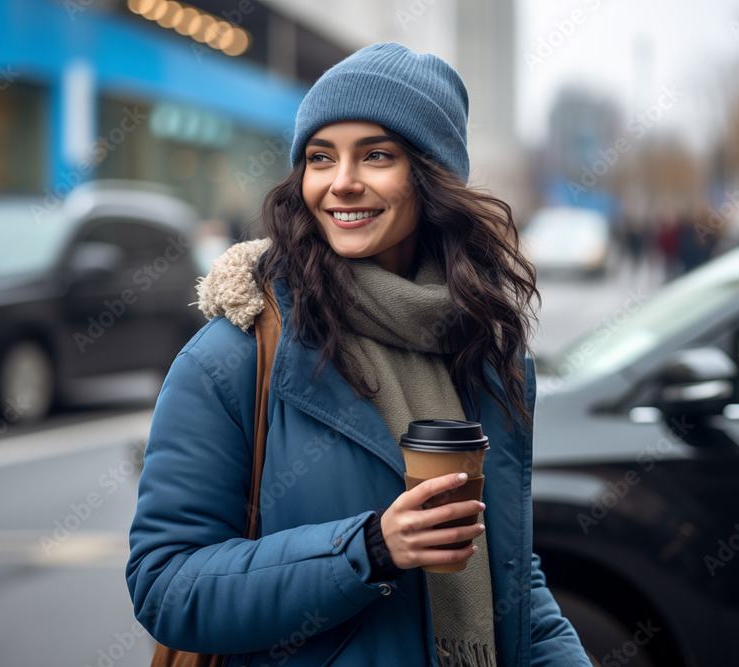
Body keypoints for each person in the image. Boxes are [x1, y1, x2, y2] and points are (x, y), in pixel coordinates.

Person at [126, 42, 592, 667]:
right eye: (321, 157)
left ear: (430, 177)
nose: (341, 182)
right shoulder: (234, 354)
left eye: (375, 155)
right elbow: (167, 586)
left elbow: (508, 569)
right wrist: (369, 549)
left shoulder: (484, 348)